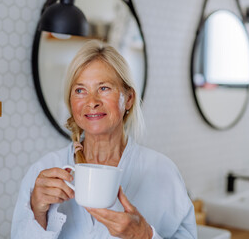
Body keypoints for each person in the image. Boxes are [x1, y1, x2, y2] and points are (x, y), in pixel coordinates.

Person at [11, 40, 197, 239]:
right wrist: (38, 212)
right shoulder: (44, 173)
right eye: (80, 90)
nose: (92, 102)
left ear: (129, 98)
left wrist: (144, 235)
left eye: (104, 88)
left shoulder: (163, 172)